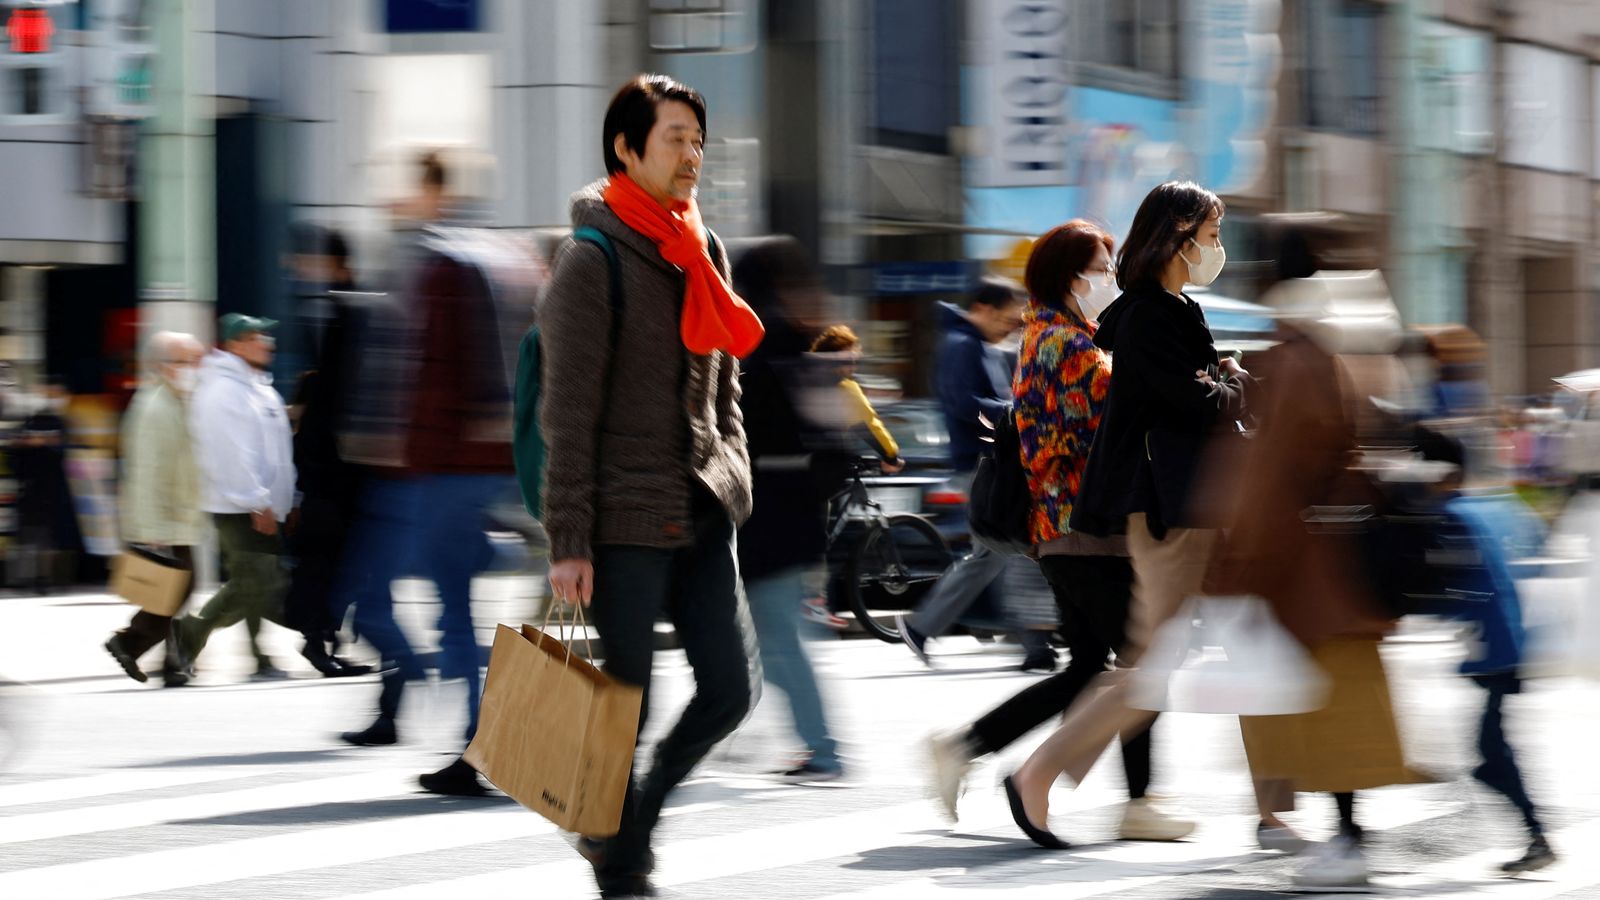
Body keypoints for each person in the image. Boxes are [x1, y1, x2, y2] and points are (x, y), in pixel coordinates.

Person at [539, 73, 763, 898]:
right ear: (627, 148)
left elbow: (725, 380)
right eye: (675, 138)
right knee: (619, 705)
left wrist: (731, 470)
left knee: (733, 690)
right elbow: (566, 414)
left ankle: (629, 823)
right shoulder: (591, 259)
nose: (692, 154)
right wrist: (568, 541)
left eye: (699, 140)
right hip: (623, 513)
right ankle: (620, 861)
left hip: (702, 504)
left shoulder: (701, 245)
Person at [924, 221, 1192, 841]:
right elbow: (1092, 432)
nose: (1110, 278)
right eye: (1102, 268)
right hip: (1082, 529)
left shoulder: (1058, 335)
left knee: (1097, 666)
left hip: (1068, 530)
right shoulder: (1066, 346)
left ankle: (969, 748)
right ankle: (1136, 802)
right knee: (1138, 662)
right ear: (1072, 278)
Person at [1003, 181, 1251, 847]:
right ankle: (1037, 773)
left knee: (1191, 654)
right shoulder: (1146, 317)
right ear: (1175, 236)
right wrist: (1234, 381)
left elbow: (1207, 391)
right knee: (1149, 666)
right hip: (1167, 514)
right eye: (1210, 235)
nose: (1216, 249)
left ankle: (1280, 804)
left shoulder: (1170, 310)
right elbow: (1197, 401)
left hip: (1187, 506)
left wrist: (1224, 380)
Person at [337, 155, 521, 804]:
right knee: (456, 608)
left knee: (436, 609)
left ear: (433, 191)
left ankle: (480, 742)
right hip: (478, 465)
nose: (397, 198)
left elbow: (433, 373)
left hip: (441, 465)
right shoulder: (494, 256)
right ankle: (479, 739)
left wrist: (393, 447)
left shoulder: (443, 265)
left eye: (409, 185)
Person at [895, 279, 1055, 671]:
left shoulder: (973, 344)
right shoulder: (961, 345)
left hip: (986, 462)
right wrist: (1015, 413)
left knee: (992, 555)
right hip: (980, 466)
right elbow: (961, 402)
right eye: (1004, 318)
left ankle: (922, 627)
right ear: (982, 308)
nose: (1008, 327)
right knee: (1013, 547)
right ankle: (1035, 644)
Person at [733, 237, 848, 783]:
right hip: (795, 505)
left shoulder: (758, 336)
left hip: (767, 509)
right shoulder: (799, 336)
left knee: (773, 633)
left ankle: (821, 747)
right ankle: (787, 735)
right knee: (770, 632)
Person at [174, 315, 298, 678]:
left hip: (263, 505)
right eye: (258, 337)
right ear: (235, 344)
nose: (267, 343)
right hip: (238, 506)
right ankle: (190, 633)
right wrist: (255, 500)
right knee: (255, 581)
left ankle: (259, 654)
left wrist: (288, 500)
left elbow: (276, 452)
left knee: (256, 581)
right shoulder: (223, 391)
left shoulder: (257, 387)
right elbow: (230, 453)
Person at [283, 225, 372, 678]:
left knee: (333, 556)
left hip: (337, 461)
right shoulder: (332, 307)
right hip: (332, 464)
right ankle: (319, 640)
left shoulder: (340, 307)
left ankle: (324, 638)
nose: (298, 269)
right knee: (328, 556)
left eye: (305, 261)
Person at [104, 332, 205, 687]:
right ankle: (132, 643)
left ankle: (171, 662)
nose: (194, 368)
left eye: (196, 360)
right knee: (178, 587)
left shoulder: (176, 400)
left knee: (179, 587)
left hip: (178, 513)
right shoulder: (155, 406)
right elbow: (145, 470)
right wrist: (150, 526)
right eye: (184, 361)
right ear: (163, 365)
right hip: (165, 518)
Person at [808, 325, 904, 472]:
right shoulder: (844, 388)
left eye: (855, 361)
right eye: (848, 360)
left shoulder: (804, 381)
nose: (853, 367)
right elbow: (867, 424)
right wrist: (891, 456)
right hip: (828, 467)